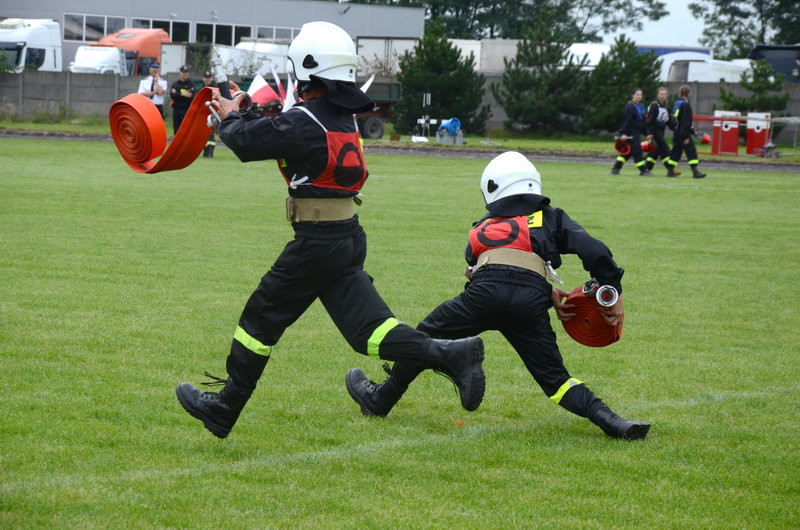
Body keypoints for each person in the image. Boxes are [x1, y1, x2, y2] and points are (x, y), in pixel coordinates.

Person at [175, 21, 486, 439]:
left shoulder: (306, 119)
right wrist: (244, 111)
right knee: (370, 331)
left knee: (259, 319)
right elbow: (279, 134)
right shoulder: (341, 118)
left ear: (308, 68)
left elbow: (251, 144)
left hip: (317, 243)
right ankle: (452, 354)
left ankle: (225, 406)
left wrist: (230, 118)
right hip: (346, 238)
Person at [346, 151, 651, 440]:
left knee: (424, 339)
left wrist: (545, 292)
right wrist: (610, 289)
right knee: (556, 380)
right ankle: (613, 422)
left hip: (482, 296)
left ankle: (380, 398)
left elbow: (493, 271)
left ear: (492, 189)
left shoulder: (482, 226)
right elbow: (592, 251)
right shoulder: (550, 217)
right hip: (528, 304)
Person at [610, 88, 652, 177]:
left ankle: (615, 169)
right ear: (633, 95)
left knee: (627, 152)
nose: (639, 96)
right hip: (631, 133)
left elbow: (643, 123)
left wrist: (647, 133)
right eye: (637, 94)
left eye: (641, 95)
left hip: (637, 132)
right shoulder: (630, 106)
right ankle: (643, 171)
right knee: (637, 151)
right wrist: (624, 133)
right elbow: (626, 120)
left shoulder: (642, 107)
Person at [667, 85, 706, 179]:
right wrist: (686, 136)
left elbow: (676, 119)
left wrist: (693, 132)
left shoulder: (677, 103)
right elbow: (686, 121)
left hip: (677, 132)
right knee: (691, 151)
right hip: (683, 133)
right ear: (689, 93)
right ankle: (695, 172)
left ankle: (670, 171)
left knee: (676, 152)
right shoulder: (685, 105)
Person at [644, 86, 680, 177]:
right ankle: (670, 170)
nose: (663, 96)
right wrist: (648, 133)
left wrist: (675, 127)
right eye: (661, 94)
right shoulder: (654, 105)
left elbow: (668, 122)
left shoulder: (665, 107)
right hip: (654, 131)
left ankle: (646, 169)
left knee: (655, 152)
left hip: (661, 131)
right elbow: (649, 120)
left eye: (664, 94)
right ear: (657, 95)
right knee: (665, 148)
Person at [169, 65, 195, 135]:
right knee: (176, 128)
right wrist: (182, 94)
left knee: (186, 129)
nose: (185, 74)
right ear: (180, 73)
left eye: (186, 72)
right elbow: (172, 95)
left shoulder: (191, 84)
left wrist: (177, 93)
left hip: (186, 109)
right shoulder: (175, 84)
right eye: (183, 72)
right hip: (177, 109)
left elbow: (190, 95)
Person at [200, 71, 217, 157]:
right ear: (203, 78)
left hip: (212, 114)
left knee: (210, 134)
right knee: (203, 134)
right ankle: (205, 151)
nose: (207, 79)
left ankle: (210, 152)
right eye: (206, 78)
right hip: (203, 114)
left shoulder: (215, 89)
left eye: (209, 77)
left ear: (212, 78)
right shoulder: (201, 89)